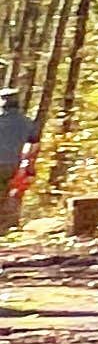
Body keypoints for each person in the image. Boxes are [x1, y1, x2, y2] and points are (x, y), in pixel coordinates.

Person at [0, 87, 35, 236]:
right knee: (12, 195)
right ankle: (8, 228)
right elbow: (33, 145)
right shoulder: (27, 122)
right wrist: (29, 167)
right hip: (14, 165)